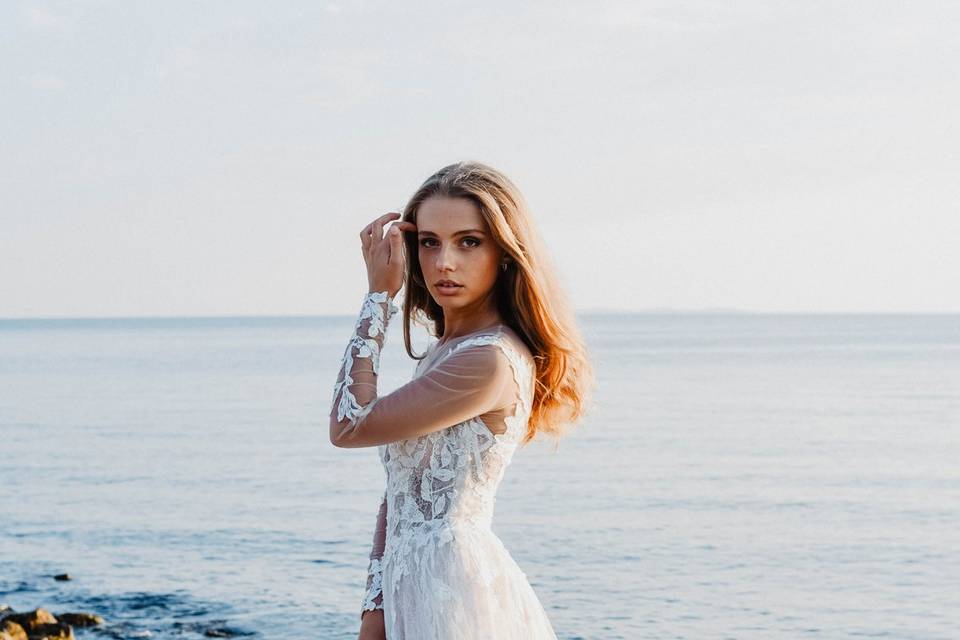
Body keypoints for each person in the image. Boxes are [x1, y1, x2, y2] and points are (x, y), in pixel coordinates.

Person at [329, 160, 594, 640]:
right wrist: (375, 607)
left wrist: (378, 299)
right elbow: (401, 494)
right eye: (429, 242)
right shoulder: (443, 353)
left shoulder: (487, 360)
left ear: (505, 254)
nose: (444, 262)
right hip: (410, 587)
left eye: (468, 242)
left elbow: (349, 426)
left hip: (451, 595)